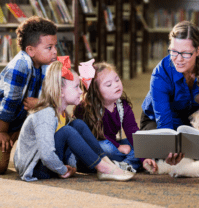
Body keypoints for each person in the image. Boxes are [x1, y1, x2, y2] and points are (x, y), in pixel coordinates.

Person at [14, 57, 134, 182]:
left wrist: (72, 166)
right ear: (60, 91)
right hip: (36, 169)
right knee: (67, 131)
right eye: (76, 87)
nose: (80, 91)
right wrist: (62, 170)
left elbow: (70, 146)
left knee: (78, 124)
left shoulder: (63, 114)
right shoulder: (46, 113)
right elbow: (46, 155)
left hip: (50, 163)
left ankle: (106, 163)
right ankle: (103, 168)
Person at [140, 21, 199, 172]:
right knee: (161, 151)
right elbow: (164, 124)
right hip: (159, 121)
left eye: (185, 53)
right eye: (173, 51)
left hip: (195, 121)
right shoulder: (160, 73)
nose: (178, 59)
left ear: (198, 50)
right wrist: (168, 147)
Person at [0, 16, 58, 174]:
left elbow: (55, 98)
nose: (55, 51)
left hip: (18, 121)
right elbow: (9, 102)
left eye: (55, 46)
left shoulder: (47, 65)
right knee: (0, 168)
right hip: (3, 121)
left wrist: (40, 104)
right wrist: (2, 132)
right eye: (49, 47)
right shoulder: (20, 65)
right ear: (30, 50)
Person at [74, 60, 141, 173]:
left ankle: (122, 166)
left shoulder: (122, 105)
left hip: (113, 145)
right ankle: (123, 163)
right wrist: (118, 147)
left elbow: (132, 130)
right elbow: (95, 135)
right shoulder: (85, 108)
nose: (116, 85)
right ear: (95, 92)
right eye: (109, 84)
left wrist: (144, 156)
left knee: (140, 144)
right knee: (106, 147)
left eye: (117, 79)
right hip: (95, 146)